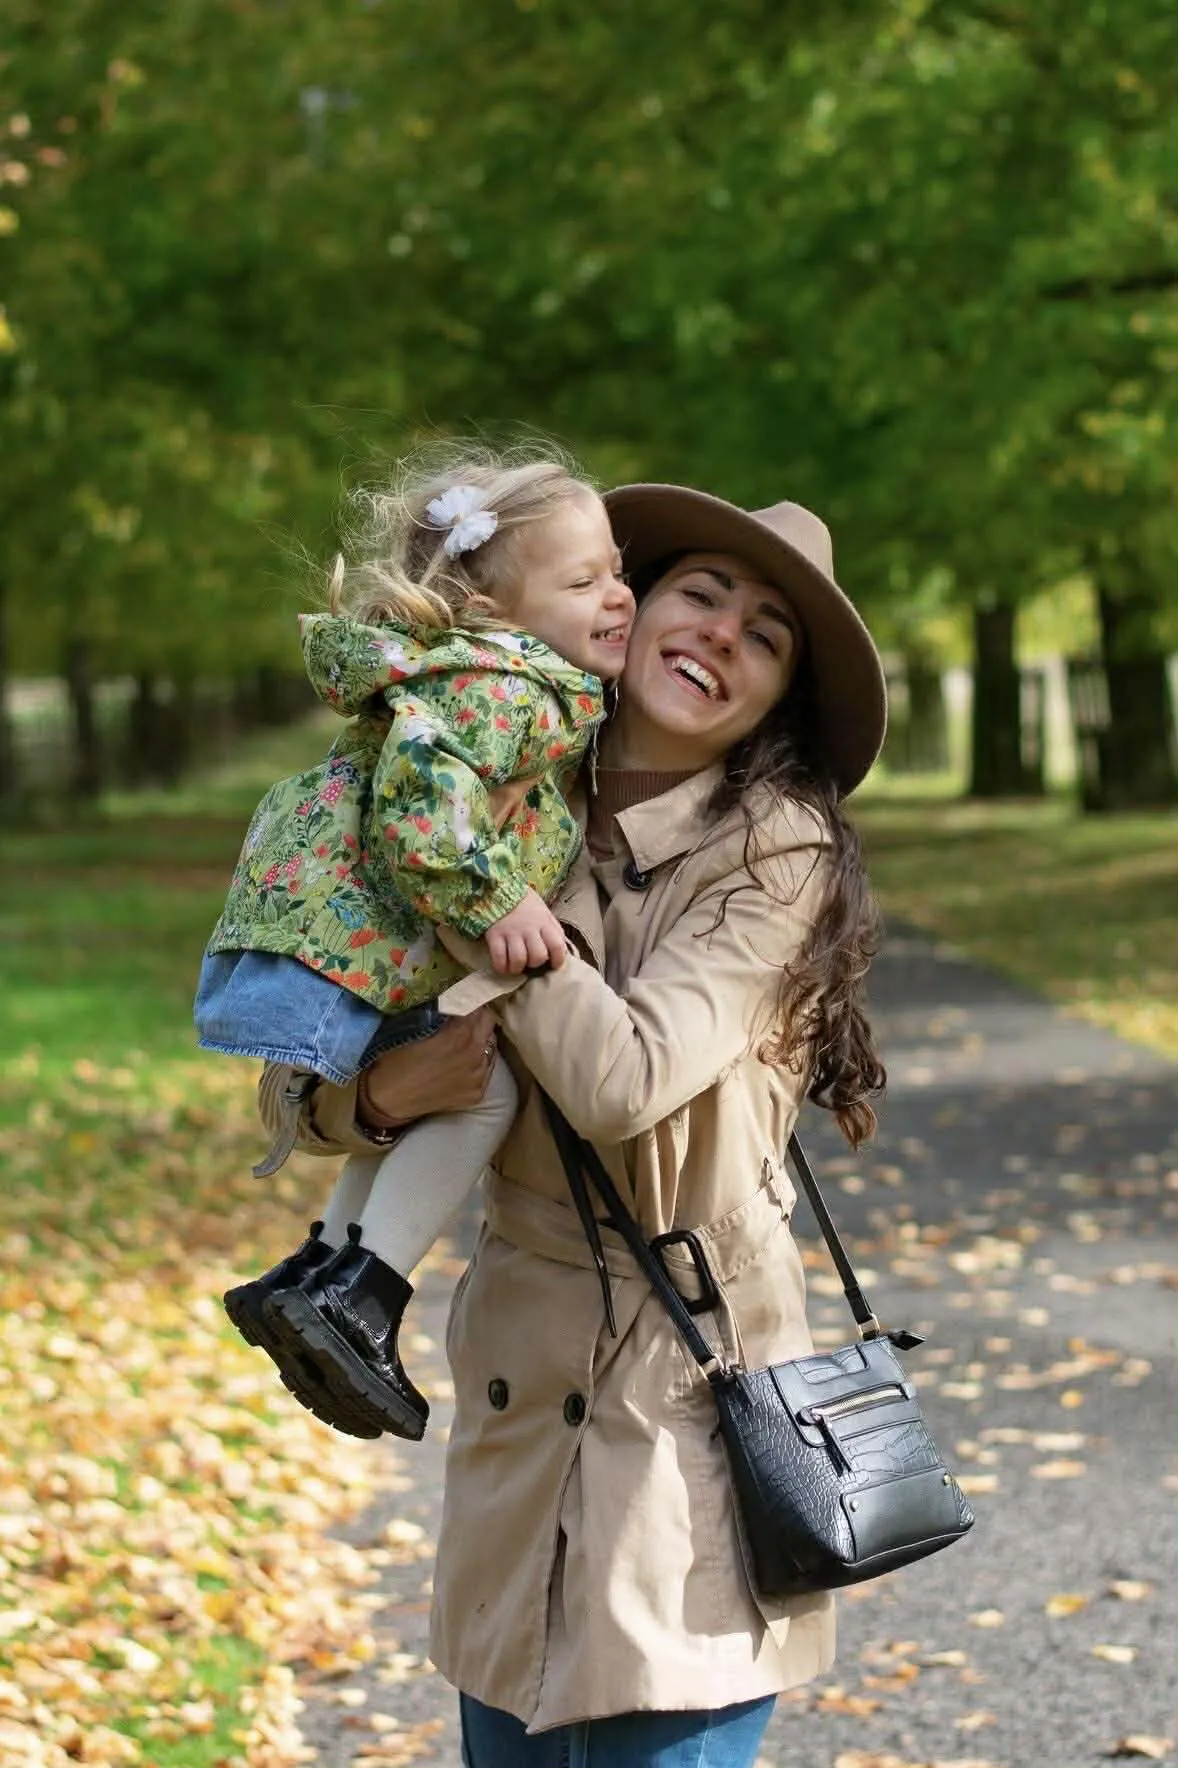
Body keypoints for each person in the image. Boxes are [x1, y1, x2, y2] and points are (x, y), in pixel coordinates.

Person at [260, 483, 888, 1767]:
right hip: (519, 1369)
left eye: (764, 634)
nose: (718, 634)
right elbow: (307, 1056)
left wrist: (466, 892)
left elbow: (624, 1079)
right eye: (700, 593)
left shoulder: (776, 851)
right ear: (629, 603)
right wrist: (382, 1095)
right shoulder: (494, 772)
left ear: (778, 699)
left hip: (691, 1394)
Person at [195, 449, 633, 1441]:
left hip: (372, 927)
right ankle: (362, 1294)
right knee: (484, 1091)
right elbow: (419, 805)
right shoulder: (509, 691)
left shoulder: (512, 679)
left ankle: (318, 1273)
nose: (615, 595)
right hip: (385, 927)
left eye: (617, 569)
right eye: (580, 580)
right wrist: (494, 902)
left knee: (439, 1082)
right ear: (492, 610)